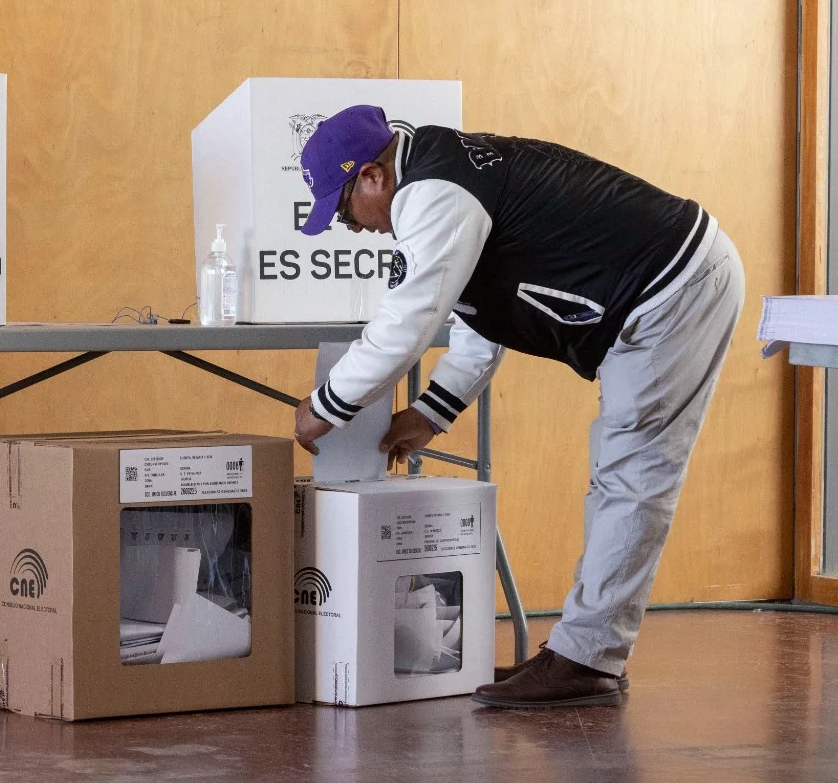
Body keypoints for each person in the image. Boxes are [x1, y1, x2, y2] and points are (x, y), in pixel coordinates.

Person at [292, 105, 743, 709]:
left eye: (344, 210)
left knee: (632, 476)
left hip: (672, 287)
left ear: (372, 176)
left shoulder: (433, 193)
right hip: (666, 282)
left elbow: (408, 325)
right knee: (623, 475)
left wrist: (325, 406)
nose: (352, 225)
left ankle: (586, 661)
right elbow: (485, 315)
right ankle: (586, 653)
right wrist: (430, 412)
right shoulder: (442, 178)